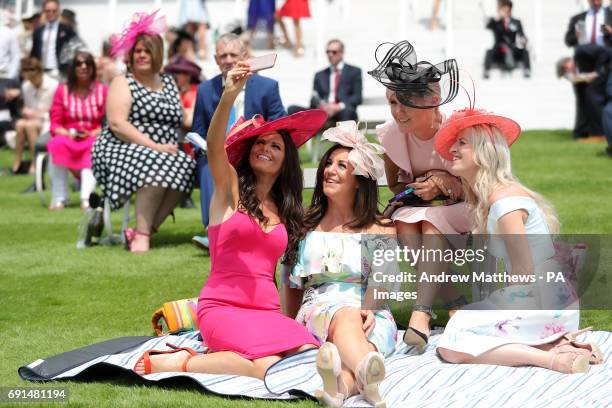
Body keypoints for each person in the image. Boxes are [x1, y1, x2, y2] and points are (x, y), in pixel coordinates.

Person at [133, 61, 327, 378]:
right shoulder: (230, 189)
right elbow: (213, 149)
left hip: (267, 312)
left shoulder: (287, 208)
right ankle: (179, 361)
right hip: (222, 309)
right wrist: (229, 95)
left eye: (275, 145)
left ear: (285, 160)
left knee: (305, 356)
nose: (265, 148)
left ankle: (201, 360)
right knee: (272, 366)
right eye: (260, 142)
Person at [433, 102, 603, 374]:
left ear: (484, 152)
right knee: (465, 321)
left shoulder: (505, 202)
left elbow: (522, 271)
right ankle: (559, 345)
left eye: (462, 143)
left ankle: (553, 359)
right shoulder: (495, 197)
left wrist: (500, 305)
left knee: (452, 343)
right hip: (551, 295)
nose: (452, 149)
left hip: (545, 299)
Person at [282, 121, 397, 407]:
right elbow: (291, 284)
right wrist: (286, 331)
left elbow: (385, 280)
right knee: (346, 316)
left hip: (373, 314)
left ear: (359, 179)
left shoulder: (381, 228)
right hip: (318, 311)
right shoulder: (304, 226)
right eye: (329, 163)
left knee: (354, 333)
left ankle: (339, 390)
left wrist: (371, 306)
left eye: (342, 166)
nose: (330, 170)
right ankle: (368, 376)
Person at [368, 40, 469, 352]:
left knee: (429, 224)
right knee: (407, 225)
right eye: (392, 103)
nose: (397, 112)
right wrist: (418, 187)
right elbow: (397, 189)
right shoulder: (390, 135)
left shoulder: (459, 128)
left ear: (434, 100)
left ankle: (421, 313)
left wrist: (445, 182)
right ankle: (454, 303)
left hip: (466, 204)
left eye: (404, 103)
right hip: (422, 208)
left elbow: (485, 182)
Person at [92, 11, 195, 253]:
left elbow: (182, 118)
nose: (141, 55)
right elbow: (117, 123)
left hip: (166, 148)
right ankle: (141, 235)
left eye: (147, 51)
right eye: (137, 51)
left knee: (189, 167)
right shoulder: (123, 82)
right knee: (156, 162)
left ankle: (144, 230)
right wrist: (155, 146)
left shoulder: (169, 82)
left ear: (157, 54)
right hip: (122, 146)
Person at [192, 33, 286, 250]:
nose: (227, 60)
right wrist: (206, 149)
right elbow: (198, 129)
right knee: (208, 164)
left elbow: (280, 125)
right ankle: (213, 229)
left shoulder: (267, 86)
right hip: (217, 154)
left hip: (253, 152)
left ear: (244, 56)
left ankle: (256, 226)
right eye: (222, 55)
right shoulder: (205, 90)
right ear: (216, 59)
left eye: (233, 54)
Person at [46, 51, 106, 210]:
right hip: (68, 136)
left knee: (94, 145)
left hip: (92, 136)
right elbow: (55, 121)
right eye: (79, 63)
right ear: (73, 68)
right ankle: (60, 197)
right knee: (56, 144)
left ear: (93, 68)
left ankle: (86, 197)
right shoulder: (62, 90)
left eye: (87, 63)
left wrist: (95, 132)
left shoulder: (102, 91)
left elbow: (108, 121)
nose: (83, 66)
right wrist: (66, 133)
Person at [564, 0, 612, 139]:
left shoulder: (610, 15)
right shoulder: (578, 18)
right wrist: (576, 36)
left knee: (597, 95)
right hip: (584, 63)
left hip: (605, 62)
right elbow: (568, 40)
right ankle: (582, 131)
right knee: (582, 95)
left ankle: (601, 131)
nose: (596, 2)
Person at [289, 39, 362, 124]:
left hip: (342, 110)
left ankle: (345, 137)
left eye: (334, 52)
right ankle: (300, 137)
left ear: (342, 53)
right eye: (328, 52)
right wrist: (322, 106)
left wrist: (338, 106)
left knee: (347, 112)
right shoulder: (320, 75)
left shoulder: (354, 71)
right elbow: (313, 99)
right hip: (322, 111)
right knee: (292, 109)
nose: (330, 55)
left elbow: (357, 97)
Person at [13, 57, 58, 175]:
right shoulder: (26, 85)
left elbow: (55, 112)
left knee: (30, 126)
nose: (31, 81)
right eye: (29, 78)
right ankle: (17, 161)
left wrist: (38, 114)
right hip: (33, 120)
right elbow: (28, 107)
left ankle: (35, 163)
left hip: (48, 121)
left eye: (33, 78)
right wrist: (27, 112)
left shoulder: (53, 85)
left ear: (40, 73)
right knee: (20, 124)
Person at [483, 0, 531, 79]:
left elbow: (522, 35)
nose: (505, 12)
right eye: (503, 9)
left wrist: (524, 40)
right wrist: (496, 19)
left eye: (507, 9)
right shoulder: (495, 21)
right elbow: (488, 26)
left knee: (525, 52)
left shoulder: (516, 22)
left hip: (512, 50)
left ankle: (527, 70)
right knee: (489, 52)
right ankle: (486, 71)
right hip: (499, 51)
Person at [31, 0, 76, 77]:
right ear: (44, 12)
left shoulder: (67, 30)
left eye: (54, 11)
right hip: (41, 71)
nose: (51, 13)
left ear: (58, 11)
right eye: (48, 11)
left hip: (59, 71)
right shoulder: (38, 31)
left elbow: (73, 51)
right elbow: (34, 52)